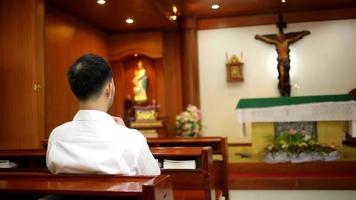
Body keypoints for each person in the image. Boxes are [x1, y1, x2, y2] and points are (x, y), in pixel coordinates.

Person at [46, 54, 160, 175]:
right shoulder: (132, 140)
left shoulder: (56, 137)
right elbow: (154, 177)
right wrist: (124, 132)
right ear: (109, 88)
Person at [255, 31, 310, 96]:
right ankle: (282, 88)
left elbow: (295, 38)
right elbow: (268, 40)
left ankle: (286, 90)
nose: (278, 38)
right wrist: (260, 37)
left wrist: (303, 34)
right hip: (280, 61)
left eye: (279, 37)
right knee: (282, 75)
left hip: (286, 61)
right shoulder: (276, 43)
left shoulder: (287, 42)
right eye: (277, 37)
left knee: (286, 76)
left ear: (282, 37)